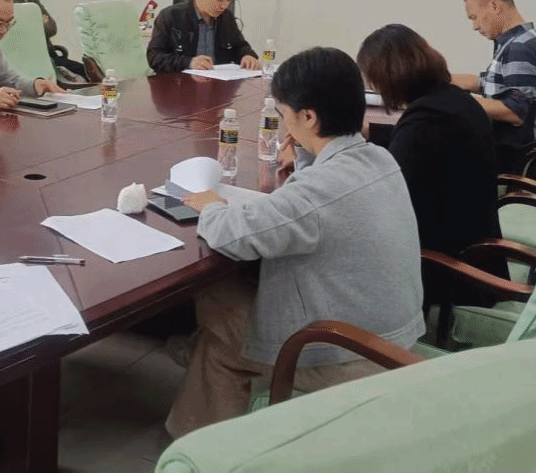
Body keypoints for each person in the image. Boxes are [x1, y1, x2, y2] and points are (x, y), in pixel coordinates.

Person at [166, 47, 424, 436]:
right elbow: (318, 205)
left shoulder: (318, 192)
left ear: (308, 117)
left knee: (220, 316)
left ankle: (196, 446)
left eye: (285, 111)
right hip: (392, 336)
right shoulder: (380, 159)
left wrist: (212, 205)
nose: (284, 120)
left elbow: (236, 235)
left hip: (348, 354)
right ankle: (200, 367)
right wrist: (305, 152)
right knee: (226, 312)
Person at [357, 24, 504, 274]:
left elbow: (387, 191)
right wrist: (368, 131)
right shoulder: (453, 100)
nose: (372, 85)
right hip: (476, 253)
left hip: (448, 267)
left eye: (372, 78)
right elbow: (413, 142)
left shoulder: (426, 117)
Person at [451, 0, 536, 176]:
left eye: (474, 17)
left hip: (514, 162)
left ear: (494, 6)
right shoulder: (518, 40)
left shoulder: (519, 47)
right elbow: (488, 83)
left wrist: (457, 101)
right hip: (515, 155)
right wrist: (440, 78)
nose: (474, 26)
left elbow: (514, 111)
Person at [146, 0, 259, 73]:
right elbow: (154, 57)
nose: (224, 6)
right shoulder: (170, 16)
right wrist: (189, 62)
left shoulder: (226, 17)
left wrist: (247, 55)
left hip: (218, 82)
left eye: (228, 0)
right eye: (220, 0)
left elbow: (240, 46)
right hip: (179, 82)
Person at [6, 0, 87, 83]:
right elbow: (22, 34)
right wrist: (40, 23)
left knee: (85, 71)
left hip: (49, 55)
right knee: (80, 75)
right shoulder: (7, 2)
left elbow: (52, 28)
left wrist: (35, 24)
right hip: (31, 58)